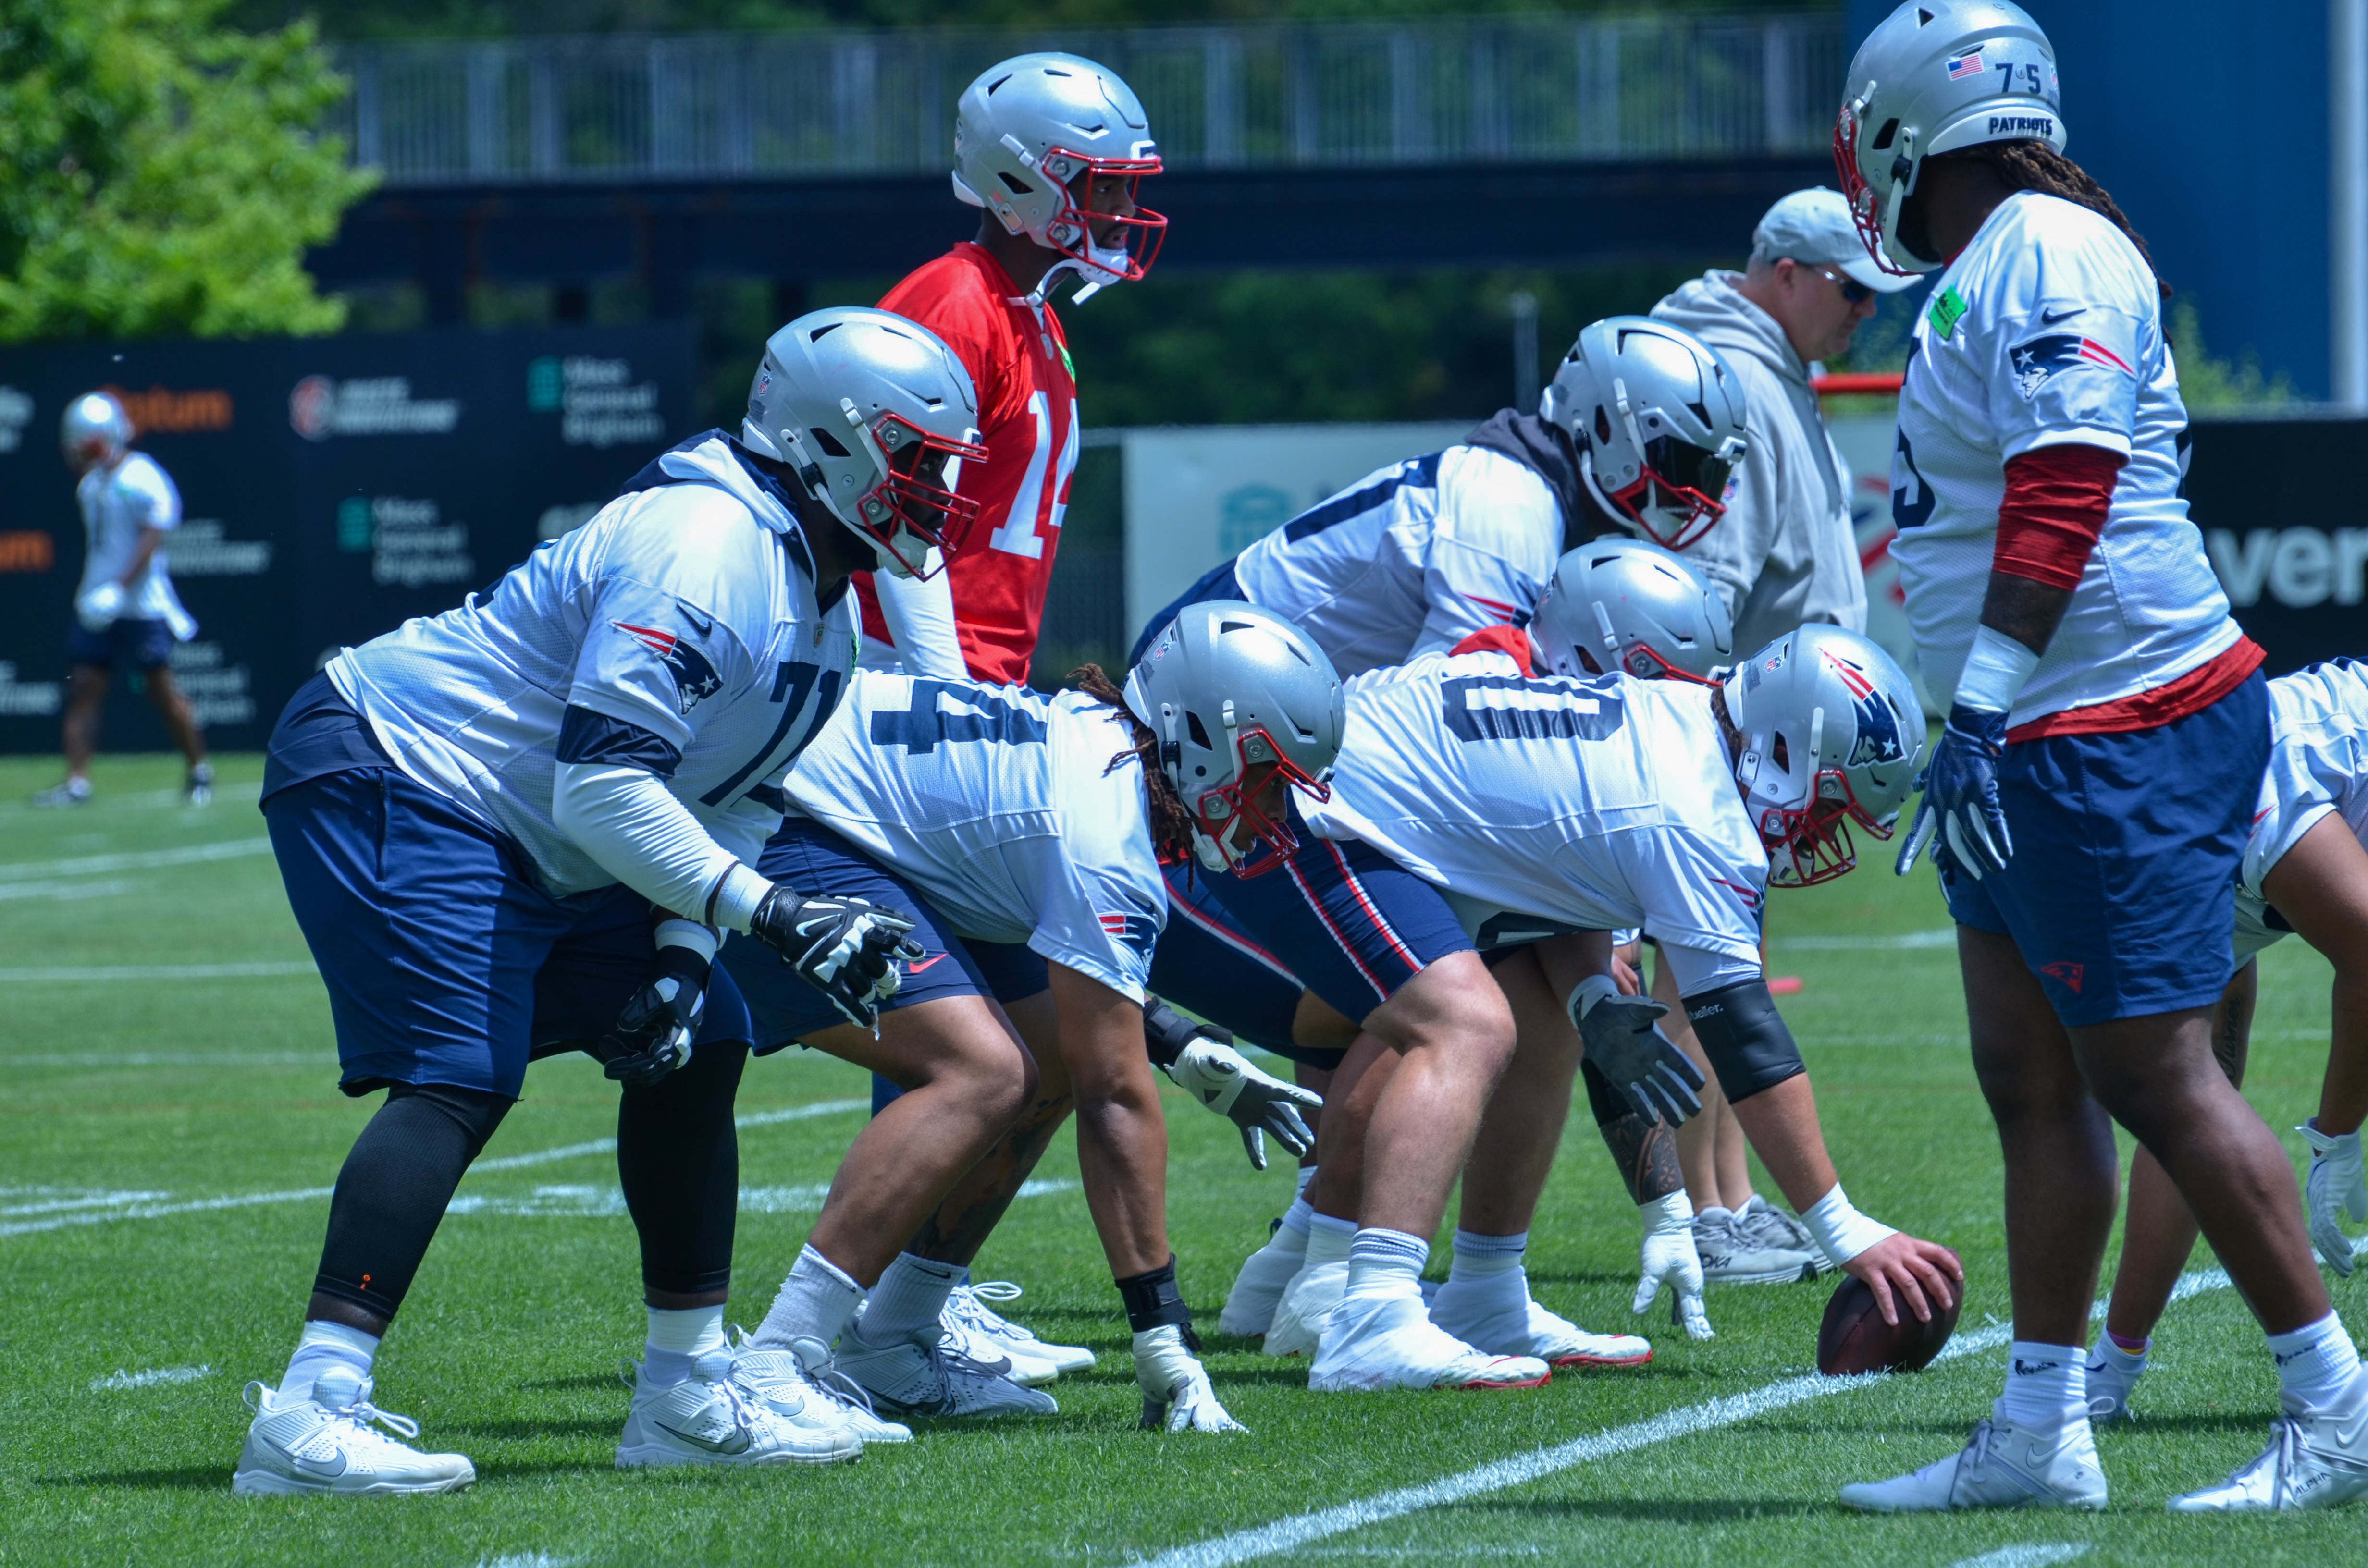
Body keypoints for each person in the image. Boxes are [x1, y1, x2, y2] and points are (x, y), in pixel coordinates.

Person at [232, 307, 985, 1494]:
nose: (940, 492)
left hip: (531, 820)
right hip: (403, 763)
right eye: (920, 459)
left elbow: (721, 804)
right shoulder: (710, 542)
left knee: (707, 1036)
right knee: (459, 1068)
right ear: (829, 445)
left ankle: (683, 1392)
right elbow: (604, 784)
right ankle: (310, 1411)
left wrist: (687, 964)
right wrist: (775, 917)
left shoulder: (823, 608)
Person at [1835, 0, 2367, 1514]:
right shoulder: (2007, 258)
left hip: (2101, 721)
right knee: (2025, 1072)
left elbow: (2066, 484)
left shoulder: (2046, 252)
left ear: (1906, 120)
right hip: (2038, 727)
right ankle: (2038, 1426)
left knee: (2151, 1071)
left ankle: (2334, 1403)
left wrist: (1988, 700)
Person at [1205, 621, 1961, 1391]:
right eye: (1829, 807)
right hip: (1313, 802)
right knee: (1467, 1023)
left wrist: (1592, 993)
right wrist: (1844, 1229)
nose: (1822, 835)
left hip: (1362, 781)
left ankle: (1485, 1292)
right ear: (1783, 751)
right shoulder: (1698, 813)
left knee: (1538, 1015)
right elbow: (1744, 1037)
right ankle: (1373, 1314)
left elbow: (1554, 858)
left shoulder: (1681, 718)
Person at [719, 601, 1340, 1432]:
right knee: (984, 1070)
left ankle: (893, 1336)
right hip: (760, 824)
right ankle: (776, 1359)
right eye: (1264, 778)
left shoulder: (1096, 740)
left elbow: (1079, 998)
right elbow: (1113, 1090)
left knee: (1039, 1057)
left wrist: (1179, 1041)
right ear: (1198, 732)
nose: (1270, 811)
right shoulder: (1104, 822)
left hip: (802, 803)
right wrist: (1161, 1328)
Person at [1128, 315, 1749, 680]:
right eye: (1683, 463)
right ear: (1605, 427)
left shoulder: (1527, 499)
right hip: (1209, 672)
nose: (1695, 492)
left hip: (1244, 667)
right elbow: (1447, 709)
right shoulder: (1507, 511)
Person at [2083, 660, 2368, 1422]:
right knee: (2186, 1102)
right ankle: (2109, 1368)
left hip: (2289, 752)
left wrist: (2336, 1137)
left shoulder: (2222, 800)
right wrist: (2116, 1360)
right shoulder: (2180, 887)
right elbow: (2190, 1124)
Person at [857, 51, 1164, 686]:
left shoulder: (1037, 319)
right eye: (1103, 184)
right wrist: (947, 690)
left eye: (1126, 185)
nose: (1122, 207)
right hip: (898, 671)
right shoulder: (956, 306)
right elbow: (896, 520)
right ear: (1023, 181)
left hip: (975, 676)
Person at [1652, 187, 1913, 656]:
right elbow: (1702, 598)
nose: (1868, 308)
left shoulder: (1771, 367)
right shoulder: (1742, 387)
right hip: (1753, 718)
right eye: (1854, 289)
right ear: (1788, 277)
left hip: (1781, 709)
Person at [35, 391, 212, 808]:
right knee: (83, 687)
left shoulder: (140, 476)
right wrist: (101, 591)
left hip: (141, 604)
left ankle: (198, 769)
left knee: (161, 690)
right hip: (97, 602)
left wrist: (118, 586)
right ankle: (77, 781)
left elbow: (155, 530)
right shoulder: (91, 485)